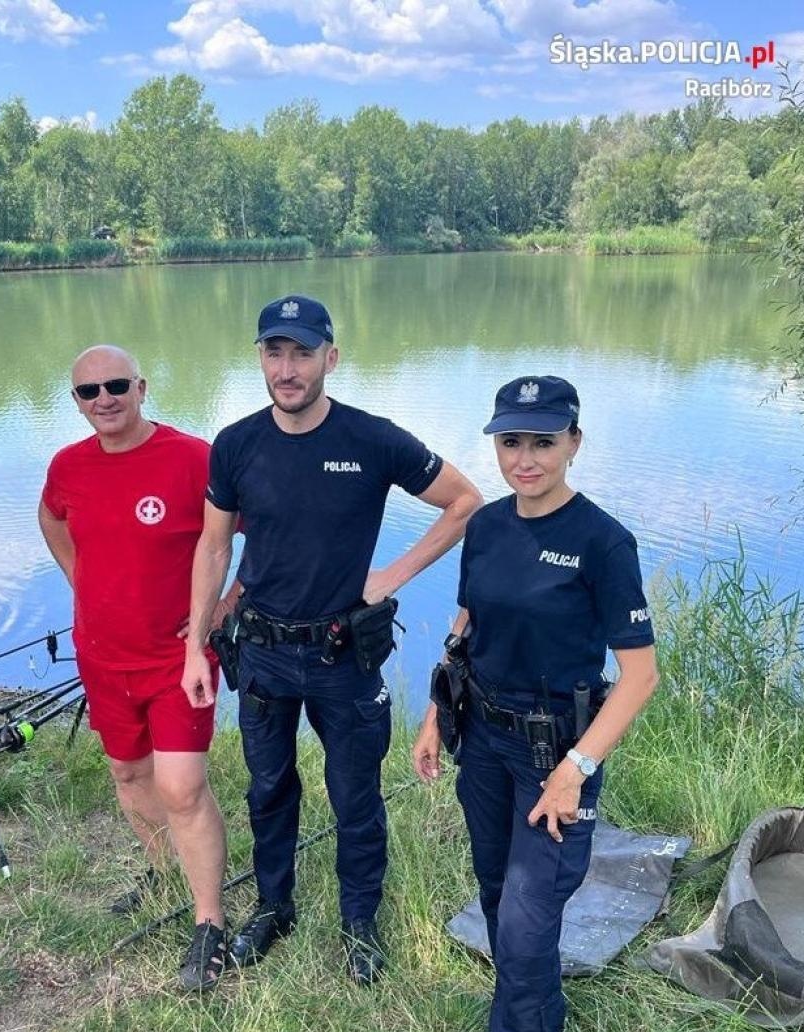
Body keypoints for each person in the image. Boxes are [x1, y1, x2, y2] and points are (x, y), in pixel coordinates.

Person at [182, 295, 482, 985]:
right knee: (268, 786)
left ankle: (360, 922)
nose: (287, 369)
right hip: (259, 653)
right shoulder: (235, 445)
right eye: (274, 352)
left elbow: (465, 501)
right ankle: (274, 906)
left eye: (302, 353)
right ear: (260, 358)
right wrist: (196, 645)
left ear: (331, 358)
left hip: (343, 654)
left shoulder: (372, 440)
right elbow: (213, 546)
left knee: (354, 795)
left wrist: (395, 573)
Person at [412, 376, 659, 1032]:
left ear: (574, 443)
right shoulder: (483, 528)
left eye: (542, 442)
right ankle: (528, 1023)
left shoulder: (603, 542)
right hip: (483, 744)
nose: (524, 459)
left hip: (558, 762)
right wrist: (434, 715)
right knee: (495, 900)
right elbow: (467, 624)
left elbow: (639, 676)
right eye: (511, 442)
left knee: (523, 933)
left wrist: (575, 768)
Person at [38, 344, 234, 992]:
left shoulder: (192, 457)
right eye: (88, 392)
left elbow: (254, 532)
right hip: (102, 656)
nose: (104, 400)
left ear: (142, 387)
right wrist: (79, 578)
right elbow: (51, 519)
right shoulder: (68, 466)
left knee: (181, 787)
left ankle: (209, 921)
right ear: (76, 402)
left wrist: (224, 608)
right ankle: (162, 870)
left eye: (116, 385)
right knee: (128, 772)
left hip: (177, 660)